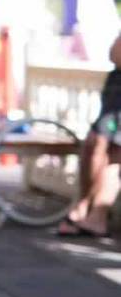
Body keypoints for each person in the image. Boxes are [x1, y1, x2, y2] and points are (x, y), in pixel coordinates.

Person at [59, 34, 121, 238]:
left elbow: (116, 53)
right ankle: (87, 207)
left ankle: (95, 213)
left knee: (110, 154)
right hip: (114, 92)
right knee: (95, 147)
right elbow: (115, 54)